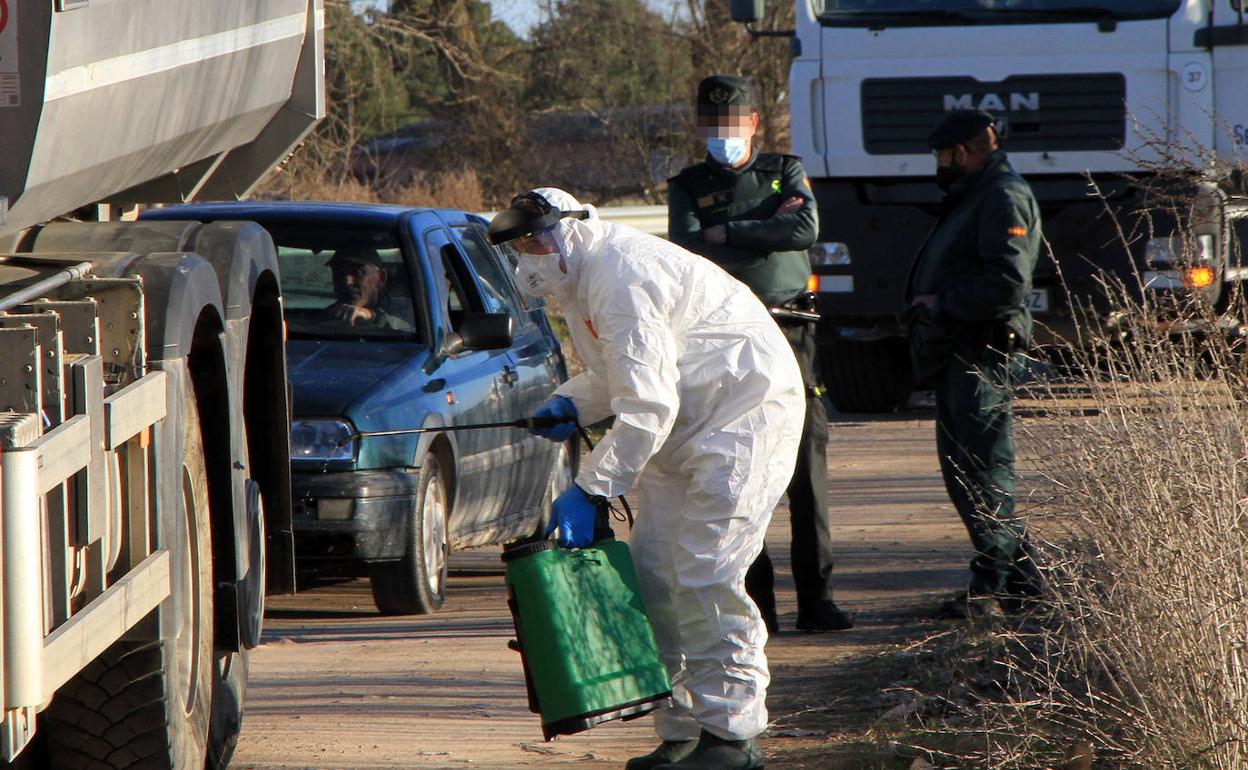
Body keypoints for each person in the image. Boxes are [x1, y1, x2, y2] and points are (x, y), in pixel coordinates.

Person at [489, 187, 804, 770]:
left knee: (707, 574)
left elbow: (649, 402)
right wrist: (571, 402)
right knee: (657, 578)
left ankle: (733, 736)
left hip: (744, 420)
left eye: (540, 236)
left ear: (575, 227)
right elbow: (623, 373)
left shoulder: (621, 274)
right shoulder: (586, 280)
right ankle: (682, 730)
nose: (532, 252)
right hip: (688, 427)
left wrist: (592, 485)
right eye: (520, 243)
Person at [667, 73, 852, 634]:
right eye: (712, 125)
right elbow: (687, 247)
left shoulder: (784, 171)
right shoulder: (688, 183)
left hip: (792, 330)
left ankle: (817, 600)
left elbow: (804, 228)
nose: (722, 134)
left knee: (805, 466)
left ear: (752, 124)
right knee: (741, 468)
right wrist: (760, 228)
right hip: (727, 341)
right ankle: (759, 602)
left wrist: (729, 232)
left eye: (733, 124)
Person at [904, 109, 1044, 619]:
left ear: (961, 152)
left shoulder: (1002, 194)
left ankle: (992, 586)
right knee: (967, 470)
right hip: (960, 352)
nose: (939, 165)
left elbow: (1008, 283)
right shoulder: (977, 194)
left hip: (981, 353)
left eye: (942, 155)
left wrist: (942, 303)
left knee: (983, 471)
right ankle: (1021, 583)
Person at [325, 245, 412, 331]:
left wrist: (374, 317)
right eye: (338, 274)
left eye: (357, 273)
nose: (346, 282)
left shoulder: (408, 309)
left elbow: (409, 331)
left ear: (380, 278)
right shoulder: (327, 316)